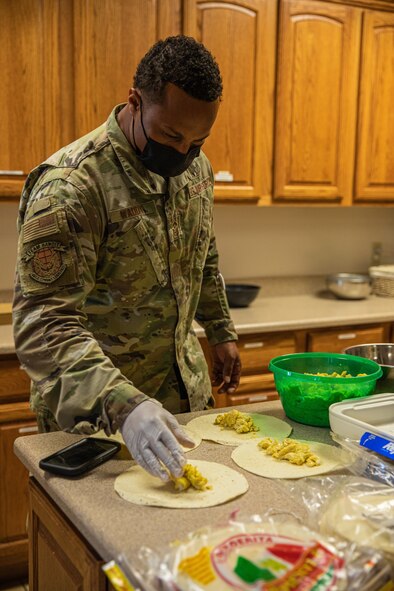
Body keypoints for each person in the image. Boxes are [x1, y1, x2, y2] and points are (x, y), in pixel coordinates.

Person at [13, 35, 240, 481]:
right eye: (171, 135)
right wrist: (125, 406)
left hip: (183, 400)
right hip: (96, 421)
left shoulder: (196, 167)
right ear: (135, 101)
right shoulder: (73, 188)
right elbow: (43, 325)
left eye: (198, 139)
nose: (183, 153)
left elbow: (202, 251)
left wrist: (220, 330)